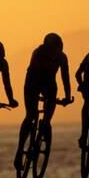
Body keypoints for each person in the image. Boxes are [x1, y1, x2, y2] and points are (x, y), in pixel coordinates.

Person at [14, 33, 73, 170]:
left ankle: (45, 126)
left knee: (47, 118)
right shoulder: (38, 52)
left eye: (57, 49)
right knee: (30, 115)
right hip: (33, 81)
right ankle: (19, 151)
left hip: (49, 84)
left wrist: (68, 96)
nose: (54, 52)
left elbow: (65, 77)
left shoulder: (62, 57)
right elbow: (36, 72)